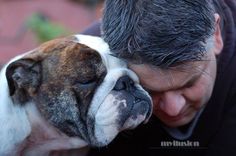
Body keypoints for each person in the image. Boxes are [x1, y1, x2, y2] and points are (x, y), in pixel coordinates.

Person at [82, 0, 236, 155]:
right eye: (147, 90)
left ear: (215, 35)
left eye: (189, 84)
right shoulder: (81, 65)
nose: (172, 110)